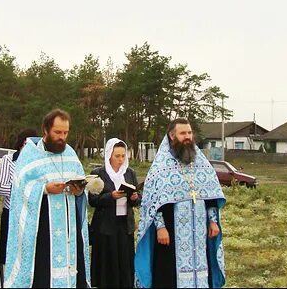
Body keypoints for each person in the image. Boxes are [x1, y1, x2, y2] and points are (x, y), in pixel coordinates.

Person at [4, 109, 91, 288]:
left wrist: (79, 191)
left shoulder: (70, 154)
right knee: (43, 273)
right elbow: (20, 189)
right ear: (45, 130)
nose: (62, 137)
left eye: (65, 133)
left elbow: (82, 185)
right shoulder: (29, 154)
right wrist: (44, 189)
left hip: (69, 228)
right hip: (42, 227)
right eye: (57, 132)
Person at [135, 118, 226, 288]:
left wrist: (213, 220)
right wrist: (160, 227)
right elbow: (153, 200)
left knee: (202, 274)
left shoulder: (201, 163)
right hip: (170, 232)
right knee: (168, 276)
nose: (187, 137)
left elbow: (211, 195)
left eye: (189, 133)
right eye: (183, 133)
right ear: (172, 135)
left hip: (199, 234)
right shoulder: (161, 165)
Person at [88, 138, 141, 288]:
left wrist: (134, 198)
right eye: (117, 156)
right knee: (107, 262)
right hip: (105, 226)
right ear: (109, 155)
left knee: (124, 261)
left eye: (123, 155)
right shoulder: (99, 173)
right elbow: (93, 200)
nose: (120, 159)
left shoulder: (130, 173)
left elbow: (137, 199)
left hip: (125, 225)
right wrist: (110, 196)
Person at [0, 128, 38, 285]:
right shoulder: (9, 160)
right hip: (12, 213)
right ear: (22, 144)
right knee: (8, 251)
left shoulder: (36, 162)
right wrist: (24, 190)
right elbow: (2, 187)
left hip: (31, 214)